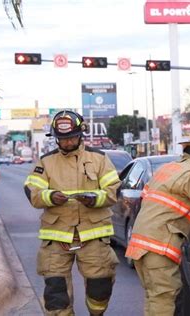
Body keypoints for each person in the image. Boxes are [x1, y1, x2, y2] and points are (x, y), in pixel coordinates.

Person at [23, 110, 121, 315]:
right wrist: (50, 197)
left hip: (94, 234)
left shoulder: (99, 159)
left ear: (80, 134)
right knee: (56, 295)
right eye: (62, 139)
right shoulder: (46, 162)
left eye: (71, 138)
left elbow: (113, 191)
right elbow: (33, 192)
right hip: (56, 236)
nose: (67, 143)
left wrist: (94, 199)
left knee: (100, 289)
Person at [125, 131, 190, 316]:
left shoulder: (168, 168)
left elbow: (146, 198)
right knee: (163, 299)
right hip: (158, 247)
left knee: (154, 298)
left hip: (140, 245)